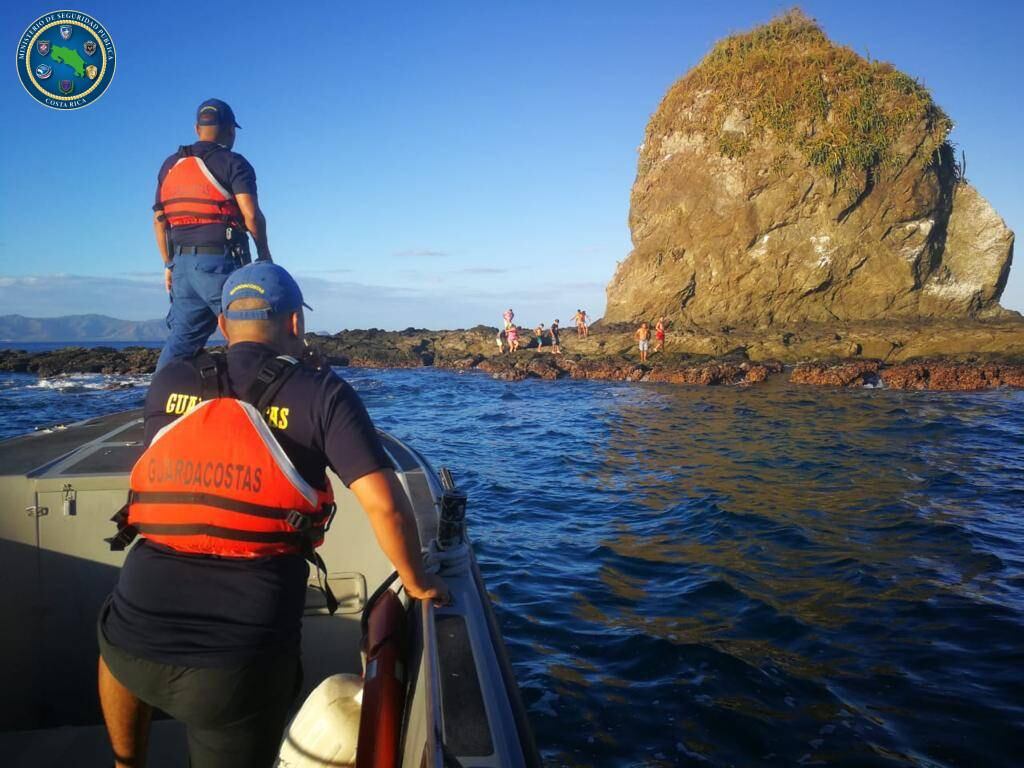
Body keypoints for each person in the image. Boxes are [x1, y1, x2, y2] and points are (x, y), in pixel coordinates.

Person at [97, 262, 448, 768]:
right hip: (233, 665)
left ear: (222, 325)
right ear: (296, 324)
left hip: (126, 643)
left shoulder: (171, 377)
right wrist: (415, 583)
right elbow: (385, 506)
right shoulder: (323, 393)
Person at [154, 98, 273, 371]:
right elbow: (251, 215)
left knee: (182, 340)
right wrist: (264, 255)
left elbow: (159, 221)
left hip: (182, 267)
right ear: (231, 129)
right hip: (220, 263)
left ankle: (158, 400)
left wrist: (168, 264)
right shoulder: (234, 163)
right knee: (250, 330)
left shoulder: (171, 164)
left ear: (198, 129)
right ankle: (257, 399)